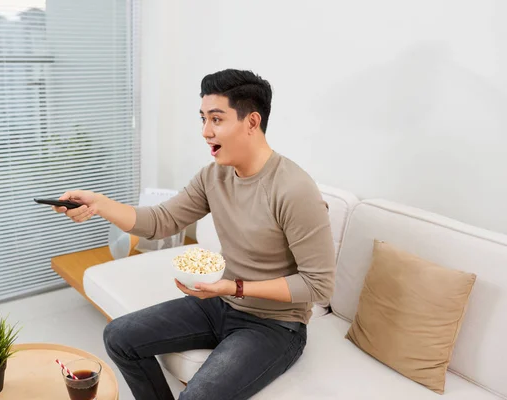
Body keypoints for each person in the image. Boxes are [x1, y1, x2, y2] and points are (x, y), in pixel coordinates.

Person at [53, 69, 336, 400]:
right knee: (119, 336)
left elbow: (319, 285)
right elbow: (161, 220)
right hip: (220, 304)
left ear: (251, 122)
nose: (205, 131)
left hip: (274, 326)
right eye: (203, 118)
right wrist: (100, 204)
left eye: (216, 119)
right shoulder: (214, 176)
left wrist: (234, 286)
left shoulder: (293, 189)